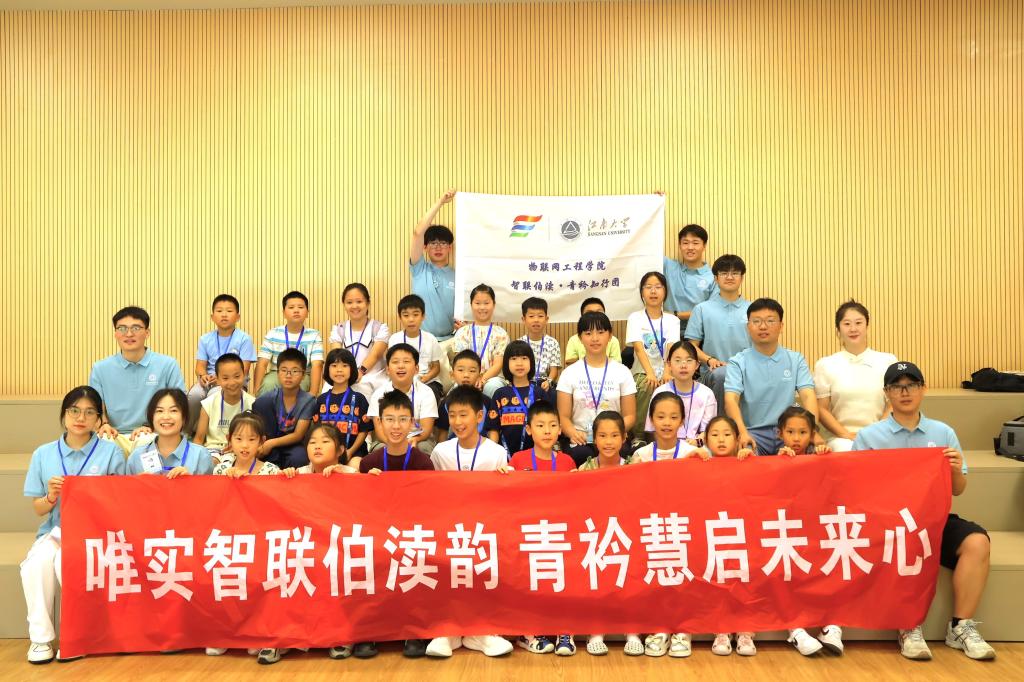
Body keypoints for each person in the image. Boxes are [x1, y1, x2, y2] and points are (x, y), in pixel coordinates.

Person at [852, 362, 995, 661]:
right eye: (897, 386)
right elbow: (857, 491)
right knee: (905, 541)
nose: (905, 392)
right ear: (886, 393)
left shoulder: (943, 432)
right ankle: (908, 625)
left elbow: (958, 489)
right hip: (889, 524)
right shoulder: (869, 437)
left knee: (977, 542)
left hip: (932, 519)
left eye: (912, 385)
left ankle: (960, 627)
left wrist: (955, 469)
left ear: (923, 389)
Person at [22, 387, 125, 664]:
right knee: (35, 565)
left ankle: (76, 637)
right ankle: (40, 639)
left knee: (66, 564)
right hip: (56, 532)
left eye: (90, 412)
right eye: (74, 411)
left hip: (95, 535)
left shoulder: (111, 453)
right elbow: (38, 509)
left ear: (99, 419)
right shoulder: (43, 454)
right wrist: (51, 496)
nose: (81, 418)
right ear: (64, 414)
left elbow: (119, 504)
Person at [425, 385, 515, 658]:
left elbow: (503, 497)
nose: (457, 422)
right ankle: (448, 631)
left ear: (479, 416)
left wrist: (507, 478)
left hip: (484, 528)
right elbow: (432, 492)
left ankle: (481, 632)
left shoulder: (496, 452)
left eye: (463, 415)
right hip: (449, 528)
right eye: (452, 415)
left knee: (486, 564)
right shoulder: (441, 451)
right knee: (446, 567)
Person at [358, 391, 436, 658]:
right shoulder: (369, 463)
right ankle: (369, 631)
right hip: (378, 534)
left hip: (412, 533)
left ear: (412, 422)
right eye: (389, 419)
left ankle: (412, 631)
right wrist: (366, 484)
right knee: (368, 560)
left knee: (414, 558)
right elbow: (359, 509)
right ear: (379, 422)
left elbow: (429, 507)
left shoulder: (423, 462)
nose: (396, 426)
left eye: (403, 419)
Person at [771, 407, 841, 656]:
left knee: (828, 571)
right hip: (785, 532)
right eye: (790, 432)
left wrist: (826, 460)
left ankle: (830, 626)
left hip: (815, 531)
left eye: (802, 432)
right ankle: (796, 630)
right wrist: (780, 463)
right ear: (780, 434)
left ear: (813, 434)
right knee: (786, 574)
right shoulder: (774, 458)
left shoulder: (821, 457)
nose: (796, 438)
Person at [574, 411, 642, 656]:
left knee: (631, 580)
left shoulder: (635, 467)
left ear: (624, 438)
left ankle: (632, 629)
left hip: (627, 535)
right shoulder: (585, 468)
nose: (609, 441)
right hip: (596, 537)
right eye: (602, 435)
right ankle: (596, 629)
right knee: (595, 579)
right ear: (594, 438)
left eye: (614, 435)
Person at [723, 298, 820, 455]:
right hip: (753, 432)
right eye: (756, 321)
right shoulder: (738, 362)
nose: (763, 326)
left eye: (770, 321)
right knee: (745, 455)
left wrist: (813, 431)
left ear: (781, 326)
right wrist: (742, 432)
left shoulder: (795, 359)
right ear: (748, 327)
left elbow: (808, 396)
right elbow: (731, 400)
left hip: (788, 431)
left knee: (816, 453)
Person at [90, 306, 186, 454]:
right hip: (114, 434)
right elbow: (94, 407)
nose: (129, 334)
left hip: (153, 432)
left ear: (147, 332)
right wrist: (103, 424)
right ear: (115, 333)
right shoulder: (100, 368)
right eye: (122, 328)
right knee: (102, 441)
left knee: (146, 444)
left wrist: (154, 426)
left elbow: (180, 405)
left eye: (136, 328)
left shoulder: (168, 364)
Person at [700, 415, 756, 656]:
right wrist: (692, 457)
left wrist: (751, 461)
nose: (721, 440)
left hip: (741, 534)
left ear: (737, 438)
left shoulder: (747, 462)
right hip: (712, 534)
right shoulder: (699, 463)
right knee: (717, 581)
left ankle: (745, 631)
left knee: (743, 579)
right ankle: (721, 630)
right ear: (705, 440)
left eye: (726, 434)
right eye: (714, 435)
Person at [814, 300, 897, 451]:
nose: (853, 329)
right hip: (841, 439)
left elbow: (892, 404)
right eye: (847, 324)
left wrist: (875, 433)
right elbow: (822, 409)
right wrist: (846, 434)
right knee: (846, 449)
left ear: (867, 326)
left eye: (858, 323)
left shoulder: (887, 361)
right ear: (838, 329)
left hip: (880, 435)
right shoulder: (825, 365)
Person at [556, 311, 637, 466]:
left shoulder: (622, 372)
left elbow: (630, 415)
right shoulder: (569, 373)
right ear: (580, 337)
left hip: (612, 438)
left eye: (600, 332)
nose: (595, 338)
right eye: (588, 333)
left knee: (622, 453)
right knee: (580, 454)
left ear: (610, 335)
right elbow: (563, 417)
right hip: (581, 439)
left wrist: (614, 433)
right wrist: (573, 433)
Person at [685, 254, 751, 414]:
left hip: (748, 369)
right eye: (724, 273)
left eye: (735, 273)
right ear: (715, 278)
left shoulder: (753, 309)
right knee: (723, 375)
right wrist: (710, 360)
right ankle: (722, 426)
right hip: (714, 372)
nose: (729, 277)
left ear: (742, 278)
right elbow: (691, 347)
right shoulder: (702, 309)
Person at [186, 294, 257, 431]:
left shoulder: (244, 339)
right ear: (212, 317)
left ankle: (210, 432)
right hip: (209, 380)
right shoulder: (205, 339)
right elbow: (200, 367)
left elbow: (245, 369)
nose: (224, 315)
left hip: (232, 381)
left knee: (214, 395)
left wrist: (221, 380)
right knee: (194, 395)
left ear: (238, 317)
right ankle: (189, 430)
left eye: (229, 311)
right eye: (219, 311)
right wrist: (203, 376)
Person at [626, 271, 681, 438]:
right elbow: (638, 348)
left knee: (674, 386)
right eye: (648, 287)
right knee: (647, 384)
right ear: (642, 292)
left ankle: (670, 434)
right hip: (642, 371)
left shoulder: (672, 320)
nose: (653, 291)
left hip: (668, 371)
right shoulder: (635, 318)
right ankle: (639, 435)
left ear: (665, 291)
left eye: (658, 287)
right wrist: (650, 373)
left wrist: (667, 372)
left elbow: (672, 348)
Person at [250, 348, 317, 468]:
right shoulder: (266, 399)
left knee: (300, 457)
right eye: (284, 370)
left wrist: (271, 443)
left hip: (293, 444)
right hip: (268, 443)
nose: (288, 375)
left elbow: (298, 435)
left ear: (303, 375)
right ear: (277, 373)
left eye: (295, 371)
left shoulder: (308, 400)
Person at [366, 344, 438, 453]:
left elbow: (426, 429)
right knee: (379, 450)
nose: (401, 366)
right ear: (388, 369)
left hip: (417, 439)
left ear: (416, 369)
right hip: (386, 440)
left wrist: (413, 440)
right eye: (395, 362)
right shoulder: (378, 394)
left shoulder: (426, 392)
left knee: (422, 448)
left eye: (406, 361)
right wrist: (395, 444)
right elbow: (379, 430)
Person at [126, 389, 214, 476]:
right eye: (159, 411)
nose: (166, 417)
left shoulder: (201, 456)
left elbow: (209, 486)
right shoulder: (136, 457)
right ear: (151, 417)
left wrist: (191, 481)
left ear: (184, 417)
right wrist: (138, 483)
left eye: (173, 410)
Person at [253, 291, 325, 396]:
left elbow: (317, 365)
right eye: (291, 307)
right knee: (268, 384)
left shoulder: (314, 335)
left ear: (307, 313)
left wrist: (313, 393)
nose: (296, 310)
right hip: (277, 373)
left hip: (302, 374)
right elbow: (262, 363)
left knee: (300, 385)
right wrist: (256, 391)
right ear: (283, 313)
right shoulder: (273, 333)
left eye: (300, 307)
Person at [643, 340, 716, 442]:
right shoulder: (660, 393)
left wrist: (696, 443)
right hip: (667, 445)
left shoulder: (707, 394)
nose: (683, 366)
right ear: (669, 364)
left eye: (689, 360)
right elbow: (652, 430)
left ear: (697, 365)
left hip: (696, 446)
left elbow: (708, 432)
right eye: (677, 360)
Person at [409, 189, 458, 340]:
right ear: (425, 247)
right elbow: (418, 233)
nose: (438, 247)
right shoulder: (419, 269)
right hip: (421, 341)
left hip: (450, 342)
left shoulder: (458, 276)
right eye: (433, 243)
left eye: (443, 243)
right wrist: (440, 202)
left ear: (450, 247)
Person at [329, 283, 390, 400]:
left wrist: (360, 372)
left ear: (368, 303)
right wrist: (346, 375)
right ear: (344, 304)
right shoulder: (338, 329)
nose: (354, 306)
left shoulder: (380, 328)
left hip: (373, 377)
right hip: (344, 376)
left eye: (359, 301)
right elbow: (336, 355)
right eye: (349, 302)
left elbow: (376, 354)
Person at [311, 348, 371, 466]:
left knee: (355, 466)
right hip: (326, 452)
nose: (339, 370)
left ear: (352, 369)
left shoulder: (359, 399)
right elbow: (318, 431)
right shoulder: (321, 400)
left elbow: (363, 431)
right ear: (327, 369)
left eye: (344, 366)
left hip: (353, 451)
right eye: (334, 366)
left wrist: (350, 451)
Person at [493, 341, 553, 454]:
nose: (519, 363)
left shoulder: (539, 393)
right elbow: (493, 427)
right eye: (514, 358)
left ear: (531, 362)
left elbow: (549, 424)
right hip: (505, 456)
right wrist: (494, 453)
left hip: (536, 455)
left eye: (524, 358)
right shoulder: (500, 394)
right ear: (506, 363)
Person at [193, 353, 256, 461]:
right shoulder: (208, 404)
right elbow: (198, 440)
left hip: (242, 451)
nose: (232, 382)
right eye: (225, 378)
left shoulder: (253, 404)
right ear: (217, 379)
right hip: (213, 451)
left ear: (244, 375)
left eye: (237, 376)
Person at [451, 283, 510, 397]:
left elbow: (498, 364)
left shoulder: (501, 333)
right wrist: (472, 378)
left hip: (493, 378)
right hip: (467, 377)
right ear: (471, 305)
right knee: (458, 388)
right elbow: (459, 362)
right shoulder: (462, 332)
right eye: (477, 303)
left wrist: (483, 379)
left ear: (494, 305)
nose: (482, 307)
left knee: (492, 386)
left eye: (486, 303)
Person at [435, 350, 501, 444]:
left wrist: (491, 450)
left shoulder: (487, 402)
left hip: (482, 448)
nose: (466, 375)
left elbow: (493, 431)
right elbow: (443, 433)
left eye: (472, 371)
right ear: (452, 375)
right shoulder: (446, 403)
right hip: (455, 449)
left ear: (480, 376)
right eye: (460, 370)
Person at [663, 224, 717, 335]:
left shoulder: (713, 277)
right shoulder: (669, 266)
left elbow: (711, 311)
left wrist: (675, 315)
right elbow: (646, 253)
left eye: (695, 243)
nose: (690, 247)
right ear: (680, 245)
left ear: (704, 246)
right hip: (668, 333)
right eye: (685, 243)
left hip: (699, 334)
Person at [389, 294, 444, 403]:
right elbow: (391, 366)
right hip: (402, 380)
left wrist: (425, 378)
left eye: (415, 314)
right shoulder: (394, 339)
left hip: (427, 381)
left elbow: (436, 367)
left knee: (429, 395)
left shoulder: (430, 338)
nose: (411, 319)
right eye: (406, 315)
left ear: (423, 316)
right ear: (400, 317)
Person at [633, 393, 709, 463]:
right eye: (661, 417)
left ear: (681, 421)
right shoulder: (641, 456)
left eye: (673, 417)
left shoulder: (693, 453)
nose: (667, 423)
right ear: (651, 420)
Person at [508, 400, 575, 472]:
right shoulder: (517, 460)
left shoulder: (568, 462)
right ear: (529, 429)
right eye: (540, 425)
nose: (547, 431)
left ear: (559, 429)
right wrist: (502, 474)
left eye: (553, 425)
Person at [564, 297, 623, 366]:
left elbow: (616, 363)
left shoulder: (613, 340)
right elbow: (570, 363)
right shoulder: (573, 340)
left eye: (599, 313)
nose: (594, 316)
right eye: (589, 313)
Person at [519, 297, 561, 391]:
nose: (536, 320)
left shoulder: (553, 343)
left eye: (540, 316)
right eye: (531, 316)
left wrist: (548, 382)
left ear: (546, 319)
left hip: (544, 384)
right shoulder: (519, 343)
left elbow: (554, 371)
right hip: (523, 383)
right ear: (523, 319)